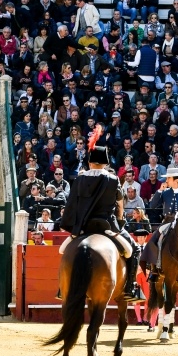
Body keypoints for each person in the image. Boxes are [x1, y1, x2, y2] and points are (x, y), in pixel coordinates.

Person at [59, 127, 141, 303]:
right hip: (107, 227)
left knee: (64, 251)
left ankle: (62, 288)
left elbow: (72, 203)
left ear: (90, 162)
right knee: (134, 249)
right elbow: (120, 203)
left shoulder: (79, 179)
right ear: (105, 163)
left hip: (84, 227)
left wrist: (74, 227)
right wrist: (119, 222)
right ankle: (130, 287)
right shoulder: (112, 180)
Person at [132, 229, 157, 331]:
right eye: (139, 237)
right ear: (136, 238)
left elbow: (152, 260)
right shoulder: (133, 247)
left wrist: (149, 270)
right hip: (136, 274)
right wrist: (135, 270)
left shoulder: (149, 247)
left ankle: (146, 318)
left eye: (142, 237)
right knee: (136, 296)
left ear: (146, 237)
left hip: (146, 274)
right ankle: (138, 319)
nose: (140, 239)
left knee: (147, 296)